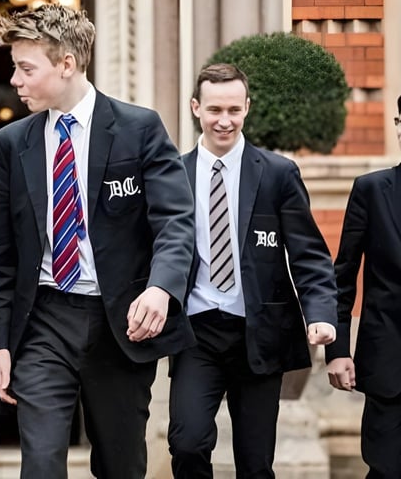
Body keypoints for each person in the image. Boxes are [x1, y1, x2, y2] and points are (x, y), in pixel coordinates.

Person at [0, 3, 196, 479]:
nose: (15, 81)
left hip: (120, 322)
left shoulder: (139, 129)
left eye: (25, 68)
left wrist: (161, 288)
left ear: (66, 64)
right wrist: (0, 343)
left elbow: (176, 221)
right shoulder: (11, 143)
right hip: (42, 321)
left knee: (120, 464)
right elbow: (0, 255)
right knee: (39, 463)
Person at [168, 63, 338, 478]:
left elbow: (309, 254)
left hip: (259, 334)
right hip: (196, 333)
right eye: (213, 110)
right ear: (196, 108)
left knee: (256, 461)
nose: (223, 121)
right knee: (187, 444)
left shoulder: (278, 174)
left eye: (233, 109)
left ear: (247, 108)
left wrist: (320, 314)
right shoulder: (173, 173)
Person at [325, 94, 401, 477]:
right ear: (399, 125)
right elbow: (342, 277)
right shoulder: (372, 190)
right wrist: (337, 350)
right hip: (390, 370)